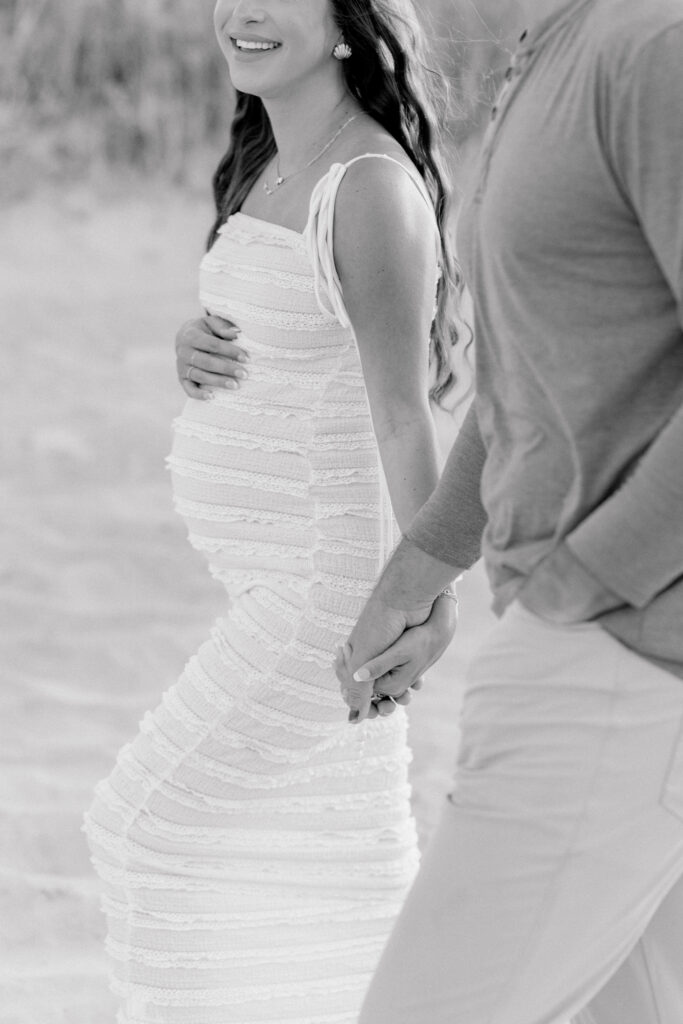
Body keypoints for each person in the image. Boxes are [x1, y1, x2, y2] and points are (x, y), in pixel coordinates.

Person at [82, 1, 464, 1021]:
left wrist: (420, 598)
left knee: (147, 826)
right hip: (267, 582)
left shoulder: (369, 188)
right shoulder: (270, 162)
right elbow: (293, 340)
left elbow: (400, 413)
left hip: (325, 596)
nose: (242, 13)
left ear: (346, 24)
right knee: (296, 872)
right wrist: (193, 349)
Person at [333, 0, 683, 1021]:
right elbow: (522, 369)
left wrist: (589, 582)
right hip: (607, 658)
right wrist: (418, 566)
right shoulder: (552, 50)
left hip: (617, 665)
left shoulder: (646, 48)